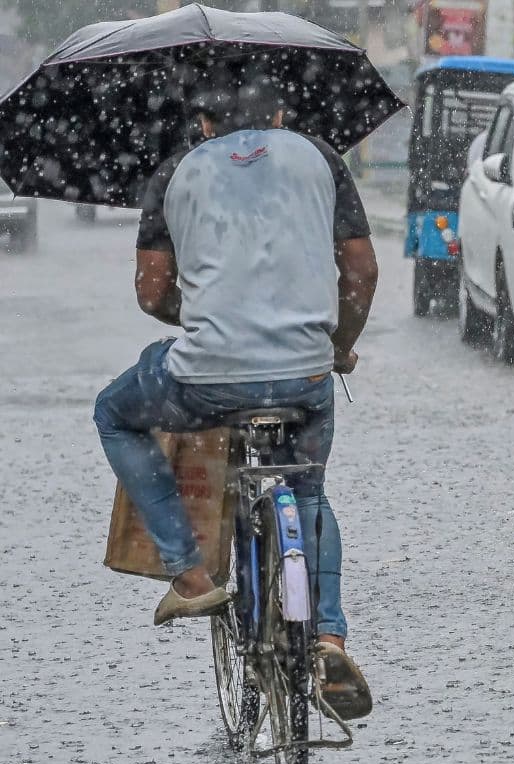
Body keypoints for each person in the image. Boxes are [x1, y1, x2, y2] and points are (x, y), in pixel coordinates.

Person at [92, 76, 378, 719]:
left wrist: (206, 319)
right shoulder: (319, 159)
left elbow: (151, 293)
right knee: (306, 490)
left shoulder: (176, 172)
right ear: (280, 114)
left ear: (202, 125)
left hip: (207, 379)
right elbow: (360, 272)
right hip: (305, 377)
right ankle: (328, 635)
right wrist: (338, 347)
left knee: (114, 413)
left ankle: (189, 574)